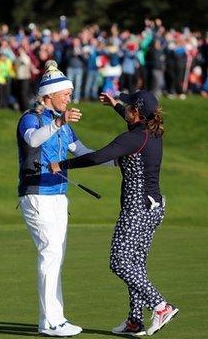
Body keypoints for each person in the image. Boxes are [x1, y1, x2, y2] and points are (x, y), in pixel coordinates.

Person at [49, 90, 178, 336]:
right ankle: (135, 322)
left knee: (119, 262)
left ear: (136, 112)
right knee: (136, 265)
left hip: (136, 209)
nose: (125, 107)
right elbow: (132, 117)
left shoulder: (133, 138)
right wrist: (115, 105)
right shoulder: (152, 130)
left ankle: (161, 306)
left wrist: (62, 164)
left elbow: (98, 157)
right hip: (154, 207)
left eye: (128, 105)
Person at [17, 60, 101, 337]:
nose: (69, 97)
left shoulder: (63, 125)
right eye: (65, 93)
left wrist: (115, 160)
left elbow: (81, 151)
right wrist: (59, 121)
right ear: (48, 96)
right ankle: (49, 322)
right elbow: (33, 140)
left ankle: (57, 318)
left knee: (56, 256)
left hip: (59, 196)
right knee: (50, 253)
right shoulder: (32, 118)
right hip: (37, 194)